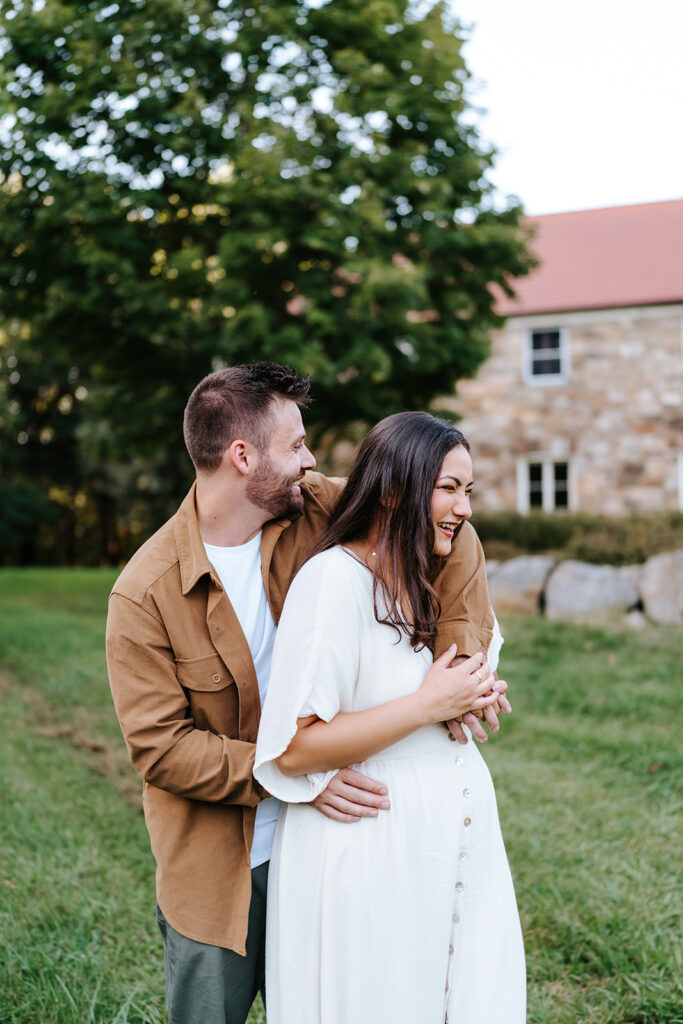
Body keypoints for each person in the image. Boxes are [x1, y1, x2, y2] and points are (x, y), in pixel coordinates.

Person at [106, 364, 507, 1024]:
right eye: (294, 446)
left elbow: (442, 517)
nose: (310, 459)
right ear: (242, 456)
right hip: (220, 868)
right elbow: (161, 750)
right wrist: (298, 773)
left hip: (334, 847)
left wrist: (456, 662)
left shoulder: (316, 506)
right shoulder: (144, 592)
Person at [254, 411, 525, 1024]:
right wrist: (429, 704)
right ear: (397, 489)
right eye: (448, 488)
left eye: (469, 491)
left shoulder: (427, 581)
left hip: (451, 848)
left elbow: (443, 690)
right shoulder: (333, 583)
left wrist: (475, 693)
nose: (464, 508)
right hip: (371, 858)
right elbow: (292, 747)